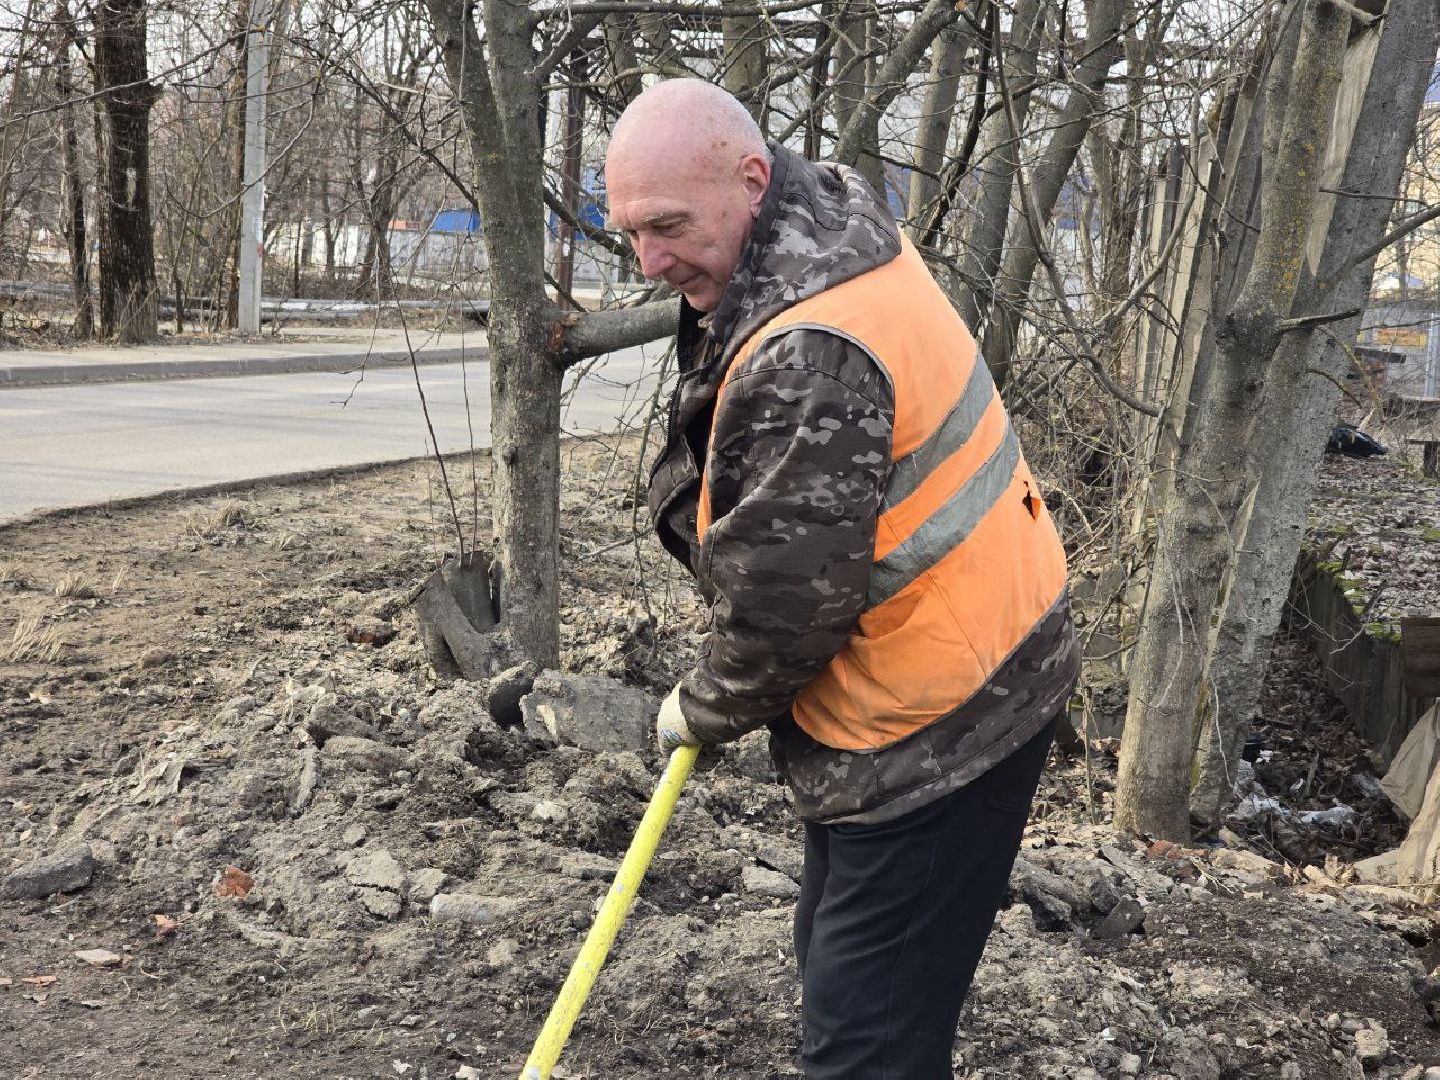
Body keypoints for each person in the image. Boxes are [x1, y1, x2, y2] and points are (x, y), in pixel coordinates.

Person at [604, 79, 1080, 1079]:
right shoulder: (824, 229)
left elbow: (784, 610)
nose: (649, 261)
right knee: (846, 971)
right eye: (631, 231)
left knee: (869, 1036)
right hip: (966, 644)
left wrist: (702, 705)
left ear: (749, 178)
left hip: (945, 716)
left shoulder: (811, 351)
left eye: (669, 226)